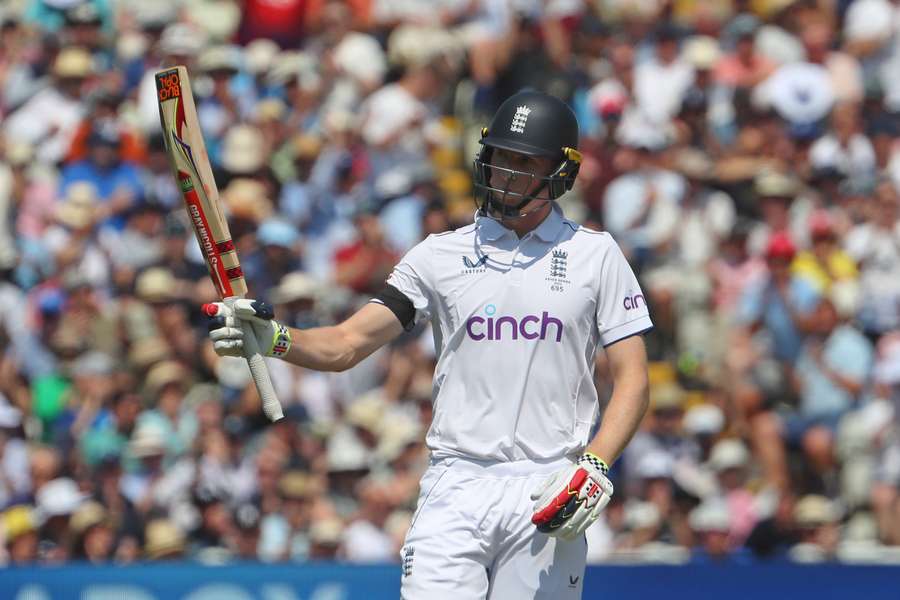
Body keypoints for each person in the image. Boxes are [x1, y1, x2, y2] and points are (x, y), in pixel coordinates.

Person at [206, 90, 652, 599]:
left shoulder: (596, 255)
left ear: (561, 173)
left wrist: (595, 463)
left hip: (549, 484)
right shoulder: (440, 254)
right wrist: (275, 338)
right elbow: (347, 344)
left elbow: (633, 378)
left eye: (524, 162)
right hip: (456, 484)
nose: (506, 173)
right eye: (500, 157)